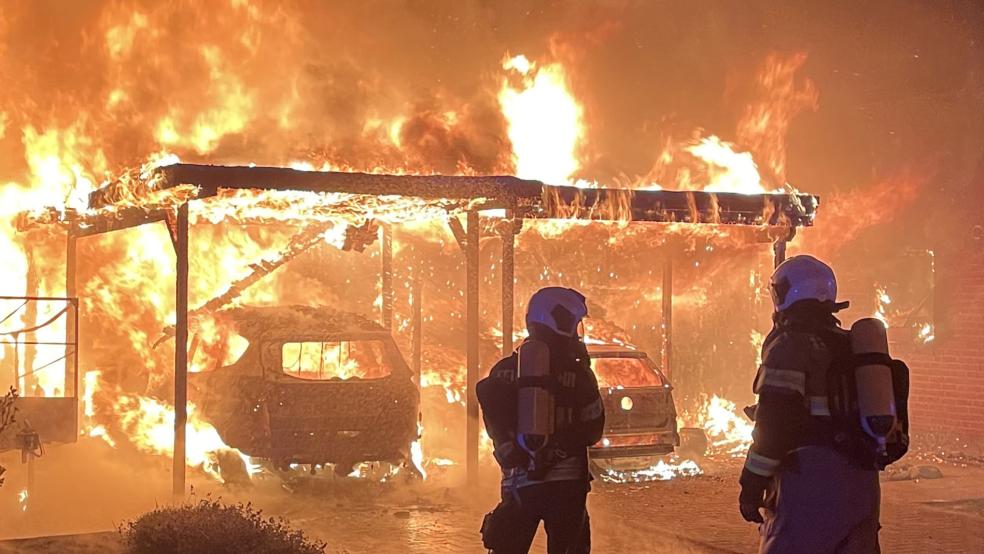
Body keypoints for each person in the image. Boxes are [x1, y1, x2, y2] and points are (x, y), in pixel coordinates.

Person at [739, 255, 908, 553]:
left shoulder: (790, 346)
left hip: (810, 484)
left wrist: (752, 483)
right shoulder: (850, 345)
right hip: (861, 481)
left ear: (786, 293)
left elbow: (775, 424)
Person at [478, 287, 605, 554]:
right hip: (566, 487)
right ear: (560, 321)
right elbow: (593, 428)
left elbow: (493, 419)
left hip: (519, 484)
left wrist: (513, 450)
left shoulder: (503, 370)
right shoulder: (577, 373)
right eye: (574, 324)